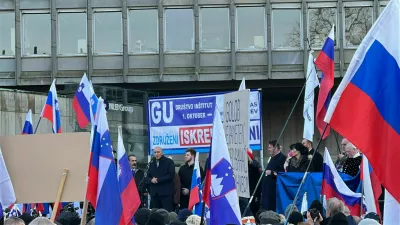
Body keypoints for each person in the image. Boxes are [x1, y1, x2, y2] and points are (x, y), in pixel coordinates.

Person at [146, 146, 176, 212]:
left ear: (162, 153)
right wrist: (151, 180)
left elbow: (171, 175)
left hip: (165, 193)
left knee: (167, 213)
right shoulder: (151, 163)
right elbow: (147, 177)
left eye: (158, 152)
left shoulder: (169, 162)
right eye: (155, 152)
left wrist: (158, 180)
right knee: (155, 213)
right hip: (154, 193)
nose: (156, 154)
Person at [261, 140, 287, 211]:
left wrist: (272, 172)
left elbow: (283, 173)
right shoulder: (271, 158)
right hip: (267, 189)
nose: (268, 149)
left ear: (276, 148)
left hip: (274, 189)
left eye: (270, 148)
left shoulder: (283, 158)